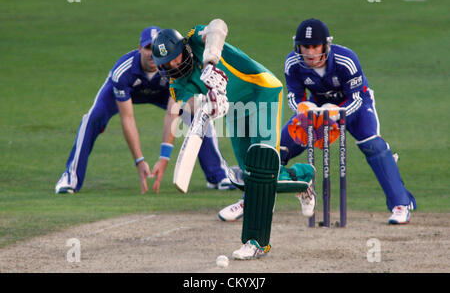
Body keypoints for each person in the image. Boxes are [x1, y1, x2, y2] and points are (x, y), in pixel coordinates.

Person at [151, 19, 314, 260]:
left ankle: (257, 243)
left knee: (261, 170)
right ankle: (302, 177)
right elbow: (193, 105)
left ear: (184, 48)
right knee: (253, 174)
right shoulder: (178, 86)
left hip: (262, 92)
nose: (175, 65)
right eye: (168, 64)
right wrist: (211, 105)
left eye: (176, 57)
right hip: (234, 109)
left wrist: (210, 63)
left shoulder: (196, 39)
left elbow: (218, 26)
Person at [55, 26, 233, 194]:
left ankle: (218, 175)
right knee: (92, 118)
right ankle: (71, 177)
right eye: (147, 48)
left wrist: (164, 158)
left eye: (154, 50)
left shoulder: (171, 68)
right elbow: (128, 118)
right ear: (139, 48)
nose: (151, 55)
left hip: (163, 93)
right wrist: (139, 161)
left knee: (198, 113)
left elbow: (172, 113)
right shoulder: (123, 72)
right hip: (124, 92)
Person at [280, 18, 416, 224]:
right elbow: (294, 96)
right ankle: (252, 201)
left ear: (325, 45)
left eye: (315, 46)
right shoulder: (293, 63)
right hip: (317, 107)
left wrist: (337, 113)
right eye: (304, 47)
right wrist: (303, 108)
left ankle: (401, 204)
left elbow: (357, 98)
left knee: (373, 146)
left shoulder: (346, 59)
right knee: (280, 147)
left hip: (354, 106)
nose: (309, 53)